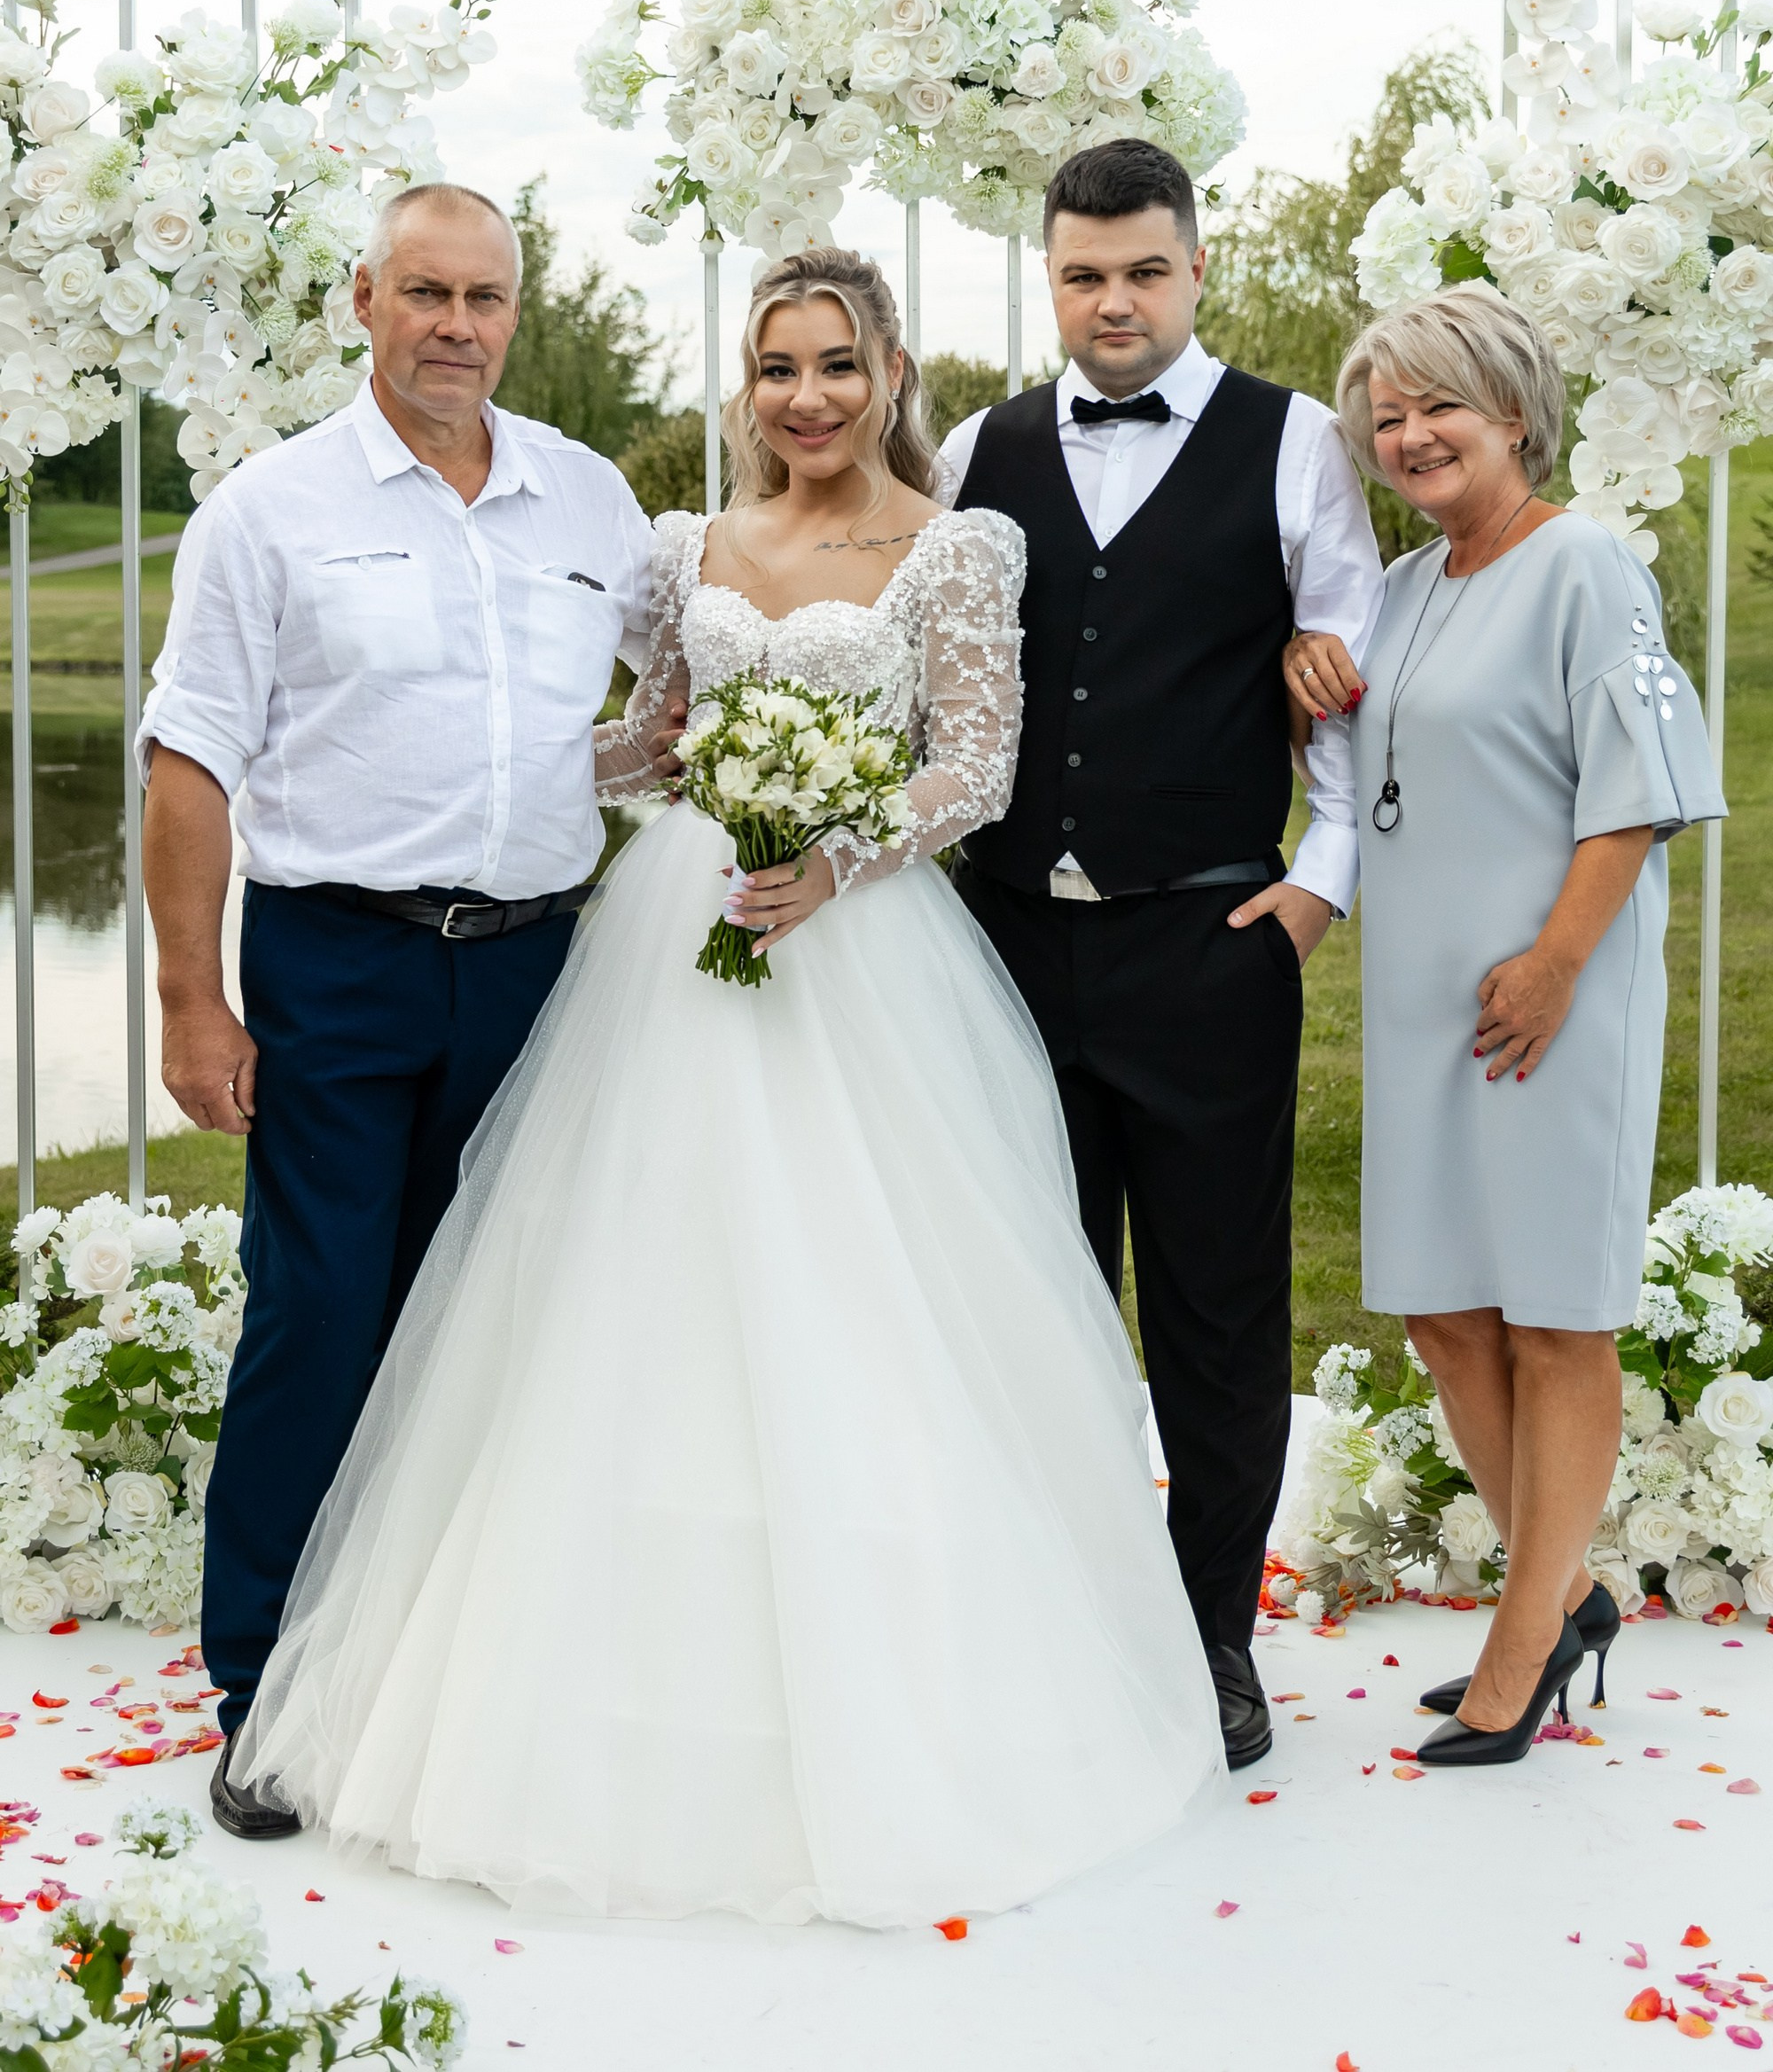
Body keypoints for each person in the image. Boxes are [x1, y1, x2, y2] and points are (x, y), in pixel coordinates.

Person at [230, 246, 1223, 1927]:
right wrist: (556, 752)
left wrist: (835, 853)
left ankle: (893, 1681)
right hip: (673, 943)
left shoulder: (958, 547)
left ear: (890, 368)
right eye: (778, 368)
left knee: (855, 1299)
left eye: (838, 364)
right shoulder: (680, 544)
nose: (809, 397)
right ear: (746, 385)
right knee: (620, 1294)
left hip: (855, 954)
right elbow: (638, 737)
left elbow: (972, 769)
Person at [137, 182, 655, 1839]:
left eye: (484, 297)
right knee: (320, 1313)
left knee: (499, 1320)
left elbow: (684, 684)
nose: (454, 325)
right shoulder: (266, 509)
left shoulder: (591, 502)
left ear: (517, 311)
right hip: (336, 965)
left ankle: (456, 1669)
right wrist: (190, 1004)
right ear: (365, 298)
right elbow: (190, 762)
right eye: (423, 292)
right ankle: (266, 1694)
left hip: (533, 967)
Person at [936, 137, 1383, 1770]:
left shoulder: (1300, 443)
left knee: (1210, 1309)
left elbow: (1351, 670)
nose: (1111, 302)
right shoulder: (984, 446)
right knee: (1027, 1297)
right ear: (1048, 279)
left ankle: (1211, 1640)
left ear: (1196, 269)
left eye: (1142, 271)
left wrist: (1319, 885)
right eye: (1081, 274)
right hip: (1002, 954)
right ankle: (1048, 1620)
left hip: (1208, 939)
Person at [1288, 288, 1724, 1763]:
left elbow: (1644, 787)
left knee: (1553, 1313)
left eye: (1438, 408)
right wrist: (1312, 687)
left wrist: (1555, 962)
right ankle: (1570, 1588)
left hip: (1553, 993)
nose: (1408, 436)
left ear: (1515, 415)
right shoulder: (1405, 588)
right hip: (1423, 1000)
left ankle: (1527, 1634)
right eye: (1387, 416)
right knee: (1444, 1308)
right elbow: (1382, 753)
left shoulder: (1586, 562)